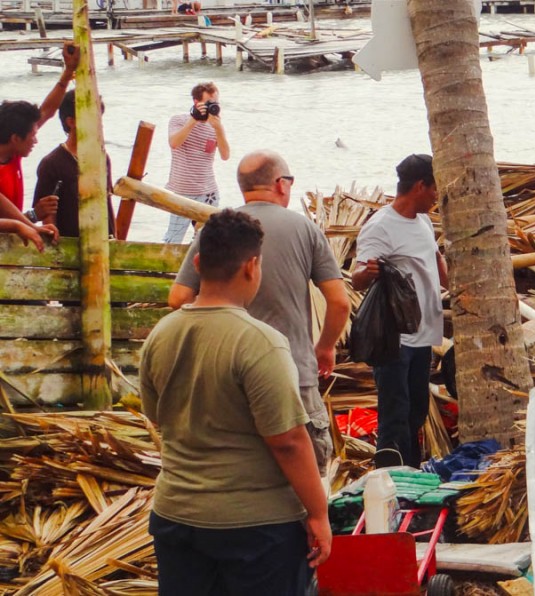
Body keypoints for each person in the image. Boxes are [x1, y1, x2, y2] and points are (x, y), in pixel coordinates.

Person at [142, 209, 331, 595]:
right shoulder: (260, 342)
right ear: (252, 266)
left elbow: (158, 417)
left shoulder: (161, 334)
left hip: (176, 515)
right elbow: (289, 440)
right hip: (255, 528)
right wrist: (319, 513)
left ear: (197, 263)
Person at [168, 150, 350, 473]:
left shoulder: (219, 229)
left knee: (241, 465)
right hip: (294, 371)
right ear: (281, 184)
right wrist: (325, 347)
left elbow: (179, 297)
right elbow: (339, 302)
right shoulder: (305, 229)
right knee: (304, 467)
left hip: (225, 372)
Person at [352, 154, 447, 468]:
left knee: (417, 409)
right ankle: (392, 475)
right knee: (395, 410)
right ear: (420, 185)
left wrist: (457, 288)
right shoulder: (380, 227)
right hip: (395, 337)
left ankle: (413, 469)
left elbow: (435, 259)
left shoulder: (422, 221)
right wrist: (369, 272)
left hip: (424, 333)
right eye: (435, 188)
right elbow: (356, 278)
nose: (437, 196)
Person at [0, 42, 77, 250]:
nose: (36, 140)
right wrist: (24, 223)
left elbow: (47, 111)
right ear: (16, 138)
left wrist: (68, 71)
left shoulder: (11, 152)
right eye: (32, 136)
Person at [33, 90, 116, 238]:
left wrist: (116, 237)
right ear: (71, 122)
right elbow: (47, 216)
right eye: (92, 118)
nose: (99, 125)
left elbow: (107, 202)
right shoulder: (51, 164)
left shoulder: (102, 157)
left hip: (104, 241)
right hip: (71, 243)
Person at [162, 81, 230, 244]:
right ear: (196, 102)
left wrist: (219, 129)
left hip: (208, 192)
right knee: (173, 238)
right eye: (208, 104)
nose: (212, 107)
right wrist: (193, 120)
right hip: (182, 191)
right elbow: (174, 143)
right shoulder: (178, 120)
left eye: (215, 103)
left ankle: (199, 268)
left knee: (207, 240)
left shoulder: (215, 127)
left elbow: (225, 155)